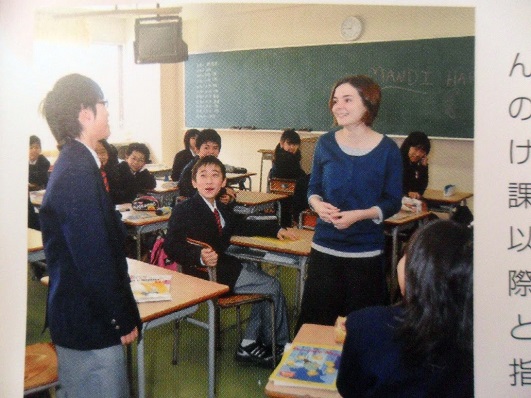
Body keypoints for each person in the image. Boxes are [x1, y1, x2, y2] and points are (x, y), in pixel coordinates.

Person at [39, 73, 141, 397]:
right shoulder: (76, 172)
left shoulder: (80, 162)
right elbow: (94, 261)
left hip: (89, 317)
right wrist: (122, 318)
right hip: (89, 324)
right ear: (85, 113)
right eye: (104, 104)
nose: (108, 112)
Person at [164, 155, 296, 367]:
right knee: (272, 285)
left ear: (224, 182)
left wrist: (276, 228)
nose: (209, 181)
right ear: (194, 182)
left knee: (259, 277)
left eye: (215, 176)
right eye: (203, 176)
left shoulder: (220, 208)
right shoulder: (184, 210)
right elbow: (171, 245)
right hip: (205, 274)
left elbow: (242, 225)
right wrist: (199, 255)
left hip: (223, 267)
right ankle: (278, 346)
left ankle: (250, 343)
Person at [295, 75, 402, 331]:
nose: (337, 106)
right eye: (335, 101)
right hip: (325, 250)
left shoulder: (388, 150)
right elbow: (314, 188)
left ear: (368, 104)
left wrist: (362, 214)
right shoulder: (325, 143)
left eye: (347, 100)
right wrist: (317, 205)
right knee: (316, 327)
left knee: (363, 330)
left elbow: (392, 201)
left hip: (365, 253)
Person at [337, 219, 473, 397]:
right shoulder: (478, 340)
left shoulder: (365, 325)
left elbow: (348, 390)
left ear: (416, 269)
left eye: (406, 254)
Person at [178, 128, 235, 204]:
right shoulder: (190, 169)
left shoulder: (218, 167)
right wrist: (223, 191)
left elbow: (226, 186)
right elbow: (198, 194)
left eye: (215, 148)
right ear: (197, 149)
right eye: (206, 147)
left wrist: (228, 196)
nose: (211, 151)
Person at [270, 128, 309, 227]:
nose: (292, 147)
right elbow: (295, 174)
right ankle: (299, 218)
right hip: (286, 190)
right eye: (289, 144)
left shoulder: (288, 155)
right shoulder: (283, 158)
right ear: (282, 143)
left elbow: (297, 173)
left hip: (290, 188)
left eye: (295, 144)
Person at [400, 131, 431, 199]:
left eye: (422, 151)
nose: (418, 154)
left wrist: (424, 168)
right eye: (416, 149)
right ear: (408, 146)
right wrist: (407, 193)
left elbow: (420, 190)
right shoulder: (396, 160)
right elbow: (392, 186)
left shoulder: (414, 164)